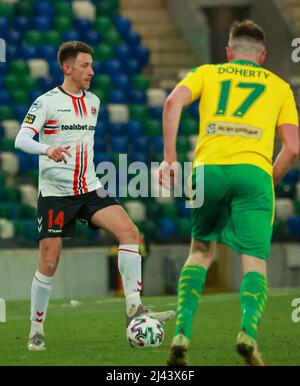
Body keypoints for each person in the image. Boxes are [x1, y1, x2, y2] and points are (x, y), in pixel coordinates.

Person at [15, 41, 175, 351]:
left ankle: (133, 307)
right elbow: (21, 139)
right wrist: (46, 148)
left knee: (130, 232)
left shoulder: (94, 102)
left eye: (91, 65)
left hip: (89, 188)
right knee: (49, 261)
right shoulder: (45, 102)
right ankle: (36, 330)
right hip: (56, 195)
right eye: (86, 65)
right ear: (68, 68)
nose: (92, 70)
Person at [160, 20, 299, 366]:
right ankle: (248, 333)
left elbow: (172, 103)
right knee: (253, 261)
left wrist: (170, 159)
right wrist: (270, 178)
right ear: (262, 56)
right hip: (253, 172)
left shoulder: (207, 72)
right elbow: (293, 147)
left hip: (208, 171)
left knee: (201, 252)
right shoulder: (280, 86)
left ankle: (181, 333)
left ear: (228, 52)